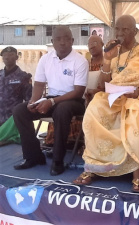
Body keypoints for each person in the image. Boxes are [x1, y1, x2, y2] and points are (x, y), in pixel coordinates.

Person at [73, 15, 139, 193]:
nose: (120, 33)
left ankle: (137, 173)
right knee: (94, 109)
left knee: (135, 112)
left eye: (125, 29)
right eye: (117, 29)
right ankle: (94, 166)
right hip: (117, 97)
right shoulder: (113, 54)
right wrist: (107, 59)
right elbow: (104, 84)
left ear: (135, 31)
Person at [13, 25, 89, 176]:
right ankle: (33, 156)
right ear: (52, 41)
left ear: (72, 41)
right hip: (51, 99)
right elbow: (39, 84)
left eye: (66, 39)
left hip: (74, 101)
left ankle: (58, 160)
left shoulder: (80, 61)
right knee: (20, 111)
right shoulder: (45, 59)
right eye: (58, 39)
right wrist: (32, 102)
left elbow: (78, 91)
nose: (62, 42)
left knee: (62, 110)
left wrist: (53, 102)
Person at [44, 35, 104, 147]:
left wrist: (94, 91)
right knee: (62, 101)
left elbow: (107, 84)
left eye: (95, 43)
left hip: (96, 97)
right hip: (79, 94)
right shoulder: (84, 63)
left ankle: (75, 140)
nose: (92, 46)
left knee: (70, 104)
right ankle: (57, 140)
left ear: (102, 45)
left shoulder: (107, 64)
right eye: (89, 44)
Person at [0, 46, 32, 146]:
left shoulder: (24, 77)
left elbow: (29, 100)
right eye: (4, 55)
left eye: (10, 55)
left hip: (12, 120)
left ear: (17, 57)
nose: (7, 57)